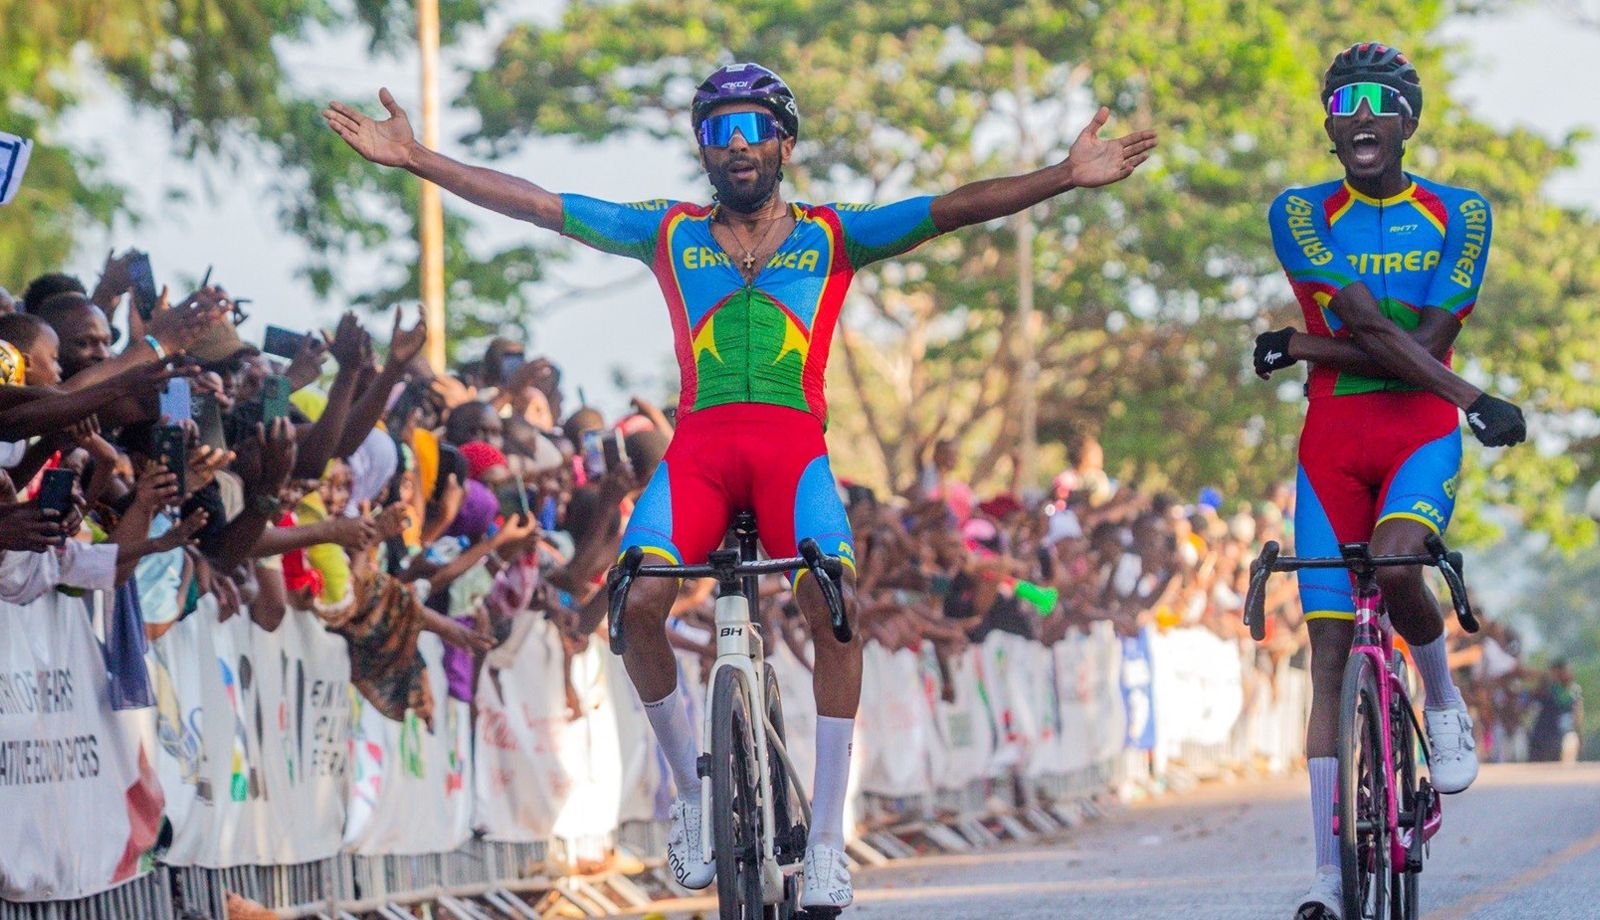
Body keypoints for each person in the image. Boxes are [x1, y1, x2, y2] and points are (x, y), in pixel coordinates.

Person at [325, 61, 1155, 909]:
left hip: (794, 454)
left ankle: (827, 839)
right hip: (702, 455)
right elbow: (542, 204)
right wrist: (421, 158)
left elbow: (950, 209)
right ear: (703, 149)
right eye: (718, 131)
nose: (738, 145)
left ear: (785, 141)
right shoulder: (668, 232)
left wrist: (1062, 175)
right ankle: (692, 796)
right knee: (637, 601)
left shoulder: (835, 233)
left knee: (834, 605)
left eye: (754, 127)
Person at [1253, 42, 1527, 920]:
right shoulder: (1298, 209)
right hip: (1330, 444)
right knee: (1327, 656)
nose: (1360, 114)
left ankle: (1441, 695)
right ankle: (1328, 882)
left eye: (1379, 101)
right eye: (1343, 102)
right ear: (1330, 125)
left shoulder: (1461, 211)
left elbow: (1431, 341)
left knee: (1402, 563)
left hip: (1417, 436)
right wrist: (1475, 398)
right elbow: (1370, 321)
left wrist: (1297, 343)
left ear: (1408, 122)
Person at [1529, 659, 1583, 764]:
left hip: (1564, 737)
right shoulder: (1547, 690)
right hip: (1544, 738)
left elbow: (1578, 715)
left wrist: (1579, 736)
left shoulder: (1575, 691)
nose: (1569, 674)